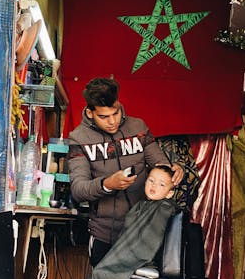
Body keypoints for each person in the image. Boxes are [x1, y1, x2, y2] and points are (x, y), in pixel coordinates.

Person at [68, 77, 183, 266]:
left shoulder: (138, 128)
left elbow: (161, 165)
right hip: (105, 235)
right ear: (90, 113)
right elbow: (79, 190)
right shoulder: (79, 139)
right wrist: (107, 185)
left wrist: (174, 171)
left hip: (144, 234)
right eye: (103, 117)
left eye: (116, 113)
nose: (112, 122)